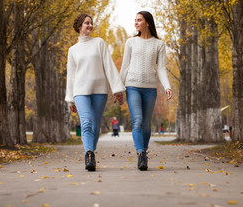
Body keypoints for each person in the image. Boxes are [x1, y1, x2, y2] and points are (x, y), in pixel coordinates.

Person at [65, 13, 125, 171]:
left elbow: (109, 66)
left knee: (95, 126)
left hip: (99, 90)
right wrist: (70, 98)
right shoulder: (73, 50)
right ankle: (89, 155)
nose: (90, 26)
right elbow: (71, 76)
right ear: (79, 26)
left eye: (91, 23)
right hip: (80, 91)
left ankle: (90, 152)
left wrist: (117, 89)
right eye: (87, 23)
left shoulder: (99, 43)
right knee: (86, 123)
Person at [120, 11, 173, 171]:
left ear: (147, 23)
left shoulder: (159, 45)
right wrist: (118, 88)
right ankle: (141, 154)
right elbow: (125, 66)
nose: (135, 23)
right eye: (135, 20)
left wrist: (167, 86)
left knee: (147, 125)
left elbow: (162, 69)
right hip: (132, 86)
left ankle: (143, 151)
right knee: (137, 121)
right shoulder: (130, 42)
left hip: (150, 89)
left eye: (139, 20)